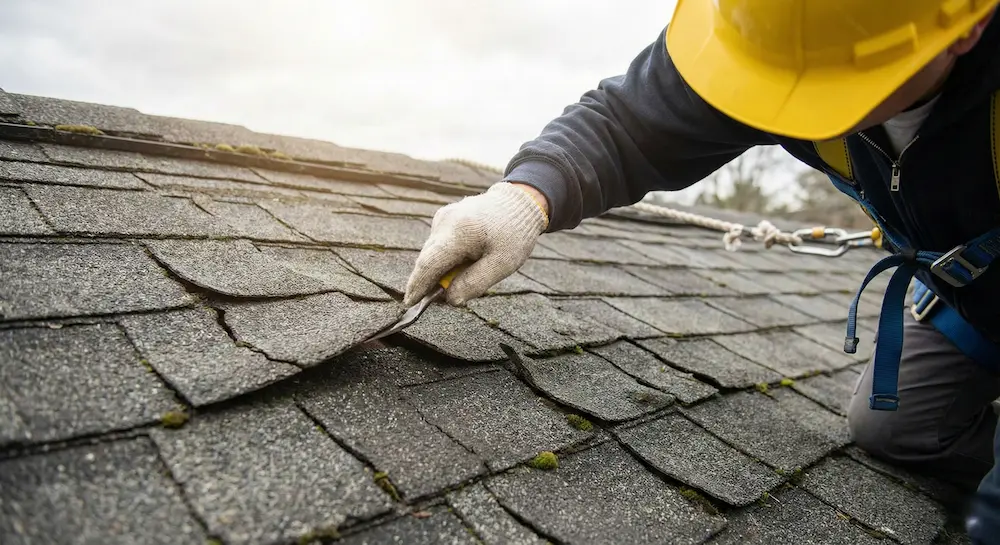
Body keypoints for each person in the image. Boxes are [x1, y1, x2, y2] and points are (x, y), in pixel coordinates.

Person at [402, 1, 1000, 540]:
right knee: (892, 428)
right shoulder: (789, 29)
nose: (801, 102)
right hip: (971, 293)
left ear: (968, 26)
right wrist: (523, 200)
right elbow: (629, 124)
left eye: (838, 85)